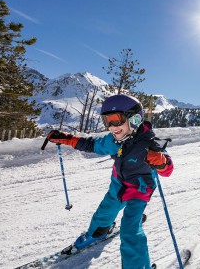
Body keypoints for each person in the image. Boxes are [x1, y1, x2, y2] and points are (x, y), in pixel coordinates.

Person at [45, 94, 173, 269]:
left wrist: (162, 162)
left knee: (129, 230)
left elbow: (167, 169)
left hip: (139, 191)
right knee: (103, 214)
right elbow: (92, 144)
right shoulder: (114, 140)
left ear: (134, 119)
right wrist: (67, 138)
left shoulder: (149, 145)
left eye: (116, 120)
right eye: (107, 121)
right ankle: (98, 233)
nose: (112, 127)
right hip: (118, 185)